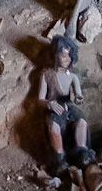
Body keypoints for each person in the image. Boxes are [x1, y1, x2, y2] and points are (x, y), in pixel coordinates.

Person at [38, 33, 94, 169]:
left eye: (69, 56)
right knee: (54, 128)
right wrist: (49, 104)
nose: (66, 59)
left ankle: (82, 152)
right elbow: (40, 99)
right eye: (63, 55)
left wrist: (79, 98)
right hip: (55, 107)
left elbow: (78, 94)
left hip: (69, 106)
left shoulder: (73, 76)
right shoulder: (47, 75)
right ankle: (60, 157)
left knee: (81, 122)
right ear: (56, 55)